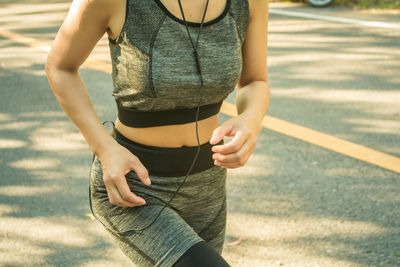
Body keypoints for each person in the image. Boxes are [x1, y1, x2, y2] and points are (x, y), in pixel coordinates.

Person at [45, 0, 270, 266]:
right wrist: (105, 148)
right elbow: (60, 67)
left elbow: (255, 80)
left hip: (208, 184)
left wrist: (251, 121)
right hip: (136, 186)